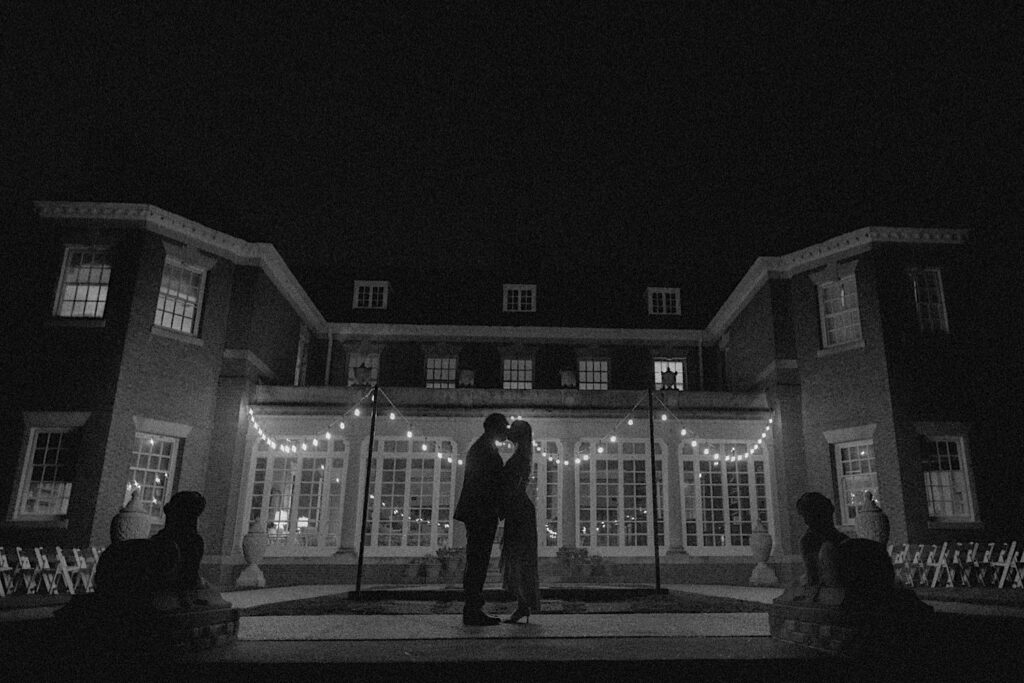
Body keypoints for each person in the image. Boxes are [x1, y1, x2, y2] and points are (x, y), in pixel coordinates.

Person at [453, 412, 508, 626]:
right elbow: (486, 484)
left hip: (479, 512)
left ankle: (474, 607)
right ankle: (473, 609)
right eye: (504, 427)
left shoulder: (483, 447)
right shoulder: (484, 450)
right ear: (494, 428)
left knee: (477, 560)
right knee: (478, 561)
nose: (506, 431)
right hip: (480, 513)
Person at [499, 419, 541, 623]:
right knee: (518, 559)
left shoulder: (521, 458)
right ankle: (523, 604)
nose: (508, 432)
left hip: (519, 511)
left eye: (512, 430)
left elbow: (512, 486)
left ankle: (523, 604)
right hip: (519, 510)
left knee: (518, 558)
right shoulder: (521, 455)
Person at [795, 491, 849, 587]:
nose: (805, 521)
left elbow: (812, 577)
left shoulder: (808, 541)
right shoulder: (844, 539)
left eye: (806, 516)